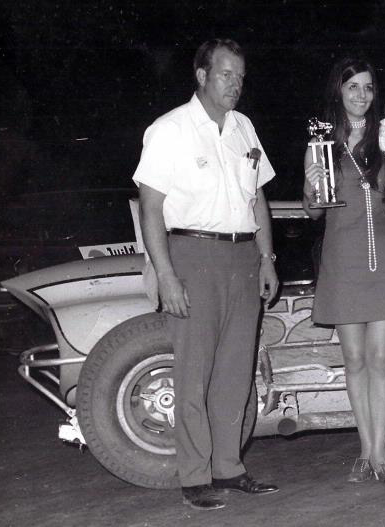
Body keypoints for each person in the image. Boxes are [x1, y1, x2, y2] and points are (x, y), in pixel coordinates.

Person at [133, 38, 280, 510]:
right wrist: (166, 274)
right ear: (201, 75)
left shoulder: (244, 128)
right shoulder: (169, 129)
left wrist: (266, 258)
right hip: (191, 255)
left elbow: (258, 199)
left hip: (243, 258)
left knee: (235, 371)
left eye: (240, 76)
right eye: (225, 74)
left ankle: (229, 468)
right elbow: (151, 209)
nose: (235, 84)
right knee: (194, 372)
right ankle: (195, 477)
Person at [303, 57, 385, 486]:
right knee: (353, 359)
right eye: (353, 86)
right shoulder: (321, 142)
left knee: (379, 359)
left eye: (368, 87)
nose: (361, 95)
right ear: (338, 91)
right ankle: (364, 449)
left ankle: (380, 455)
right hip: (342, 258)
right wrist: (311, 184)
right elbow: (313, 211)